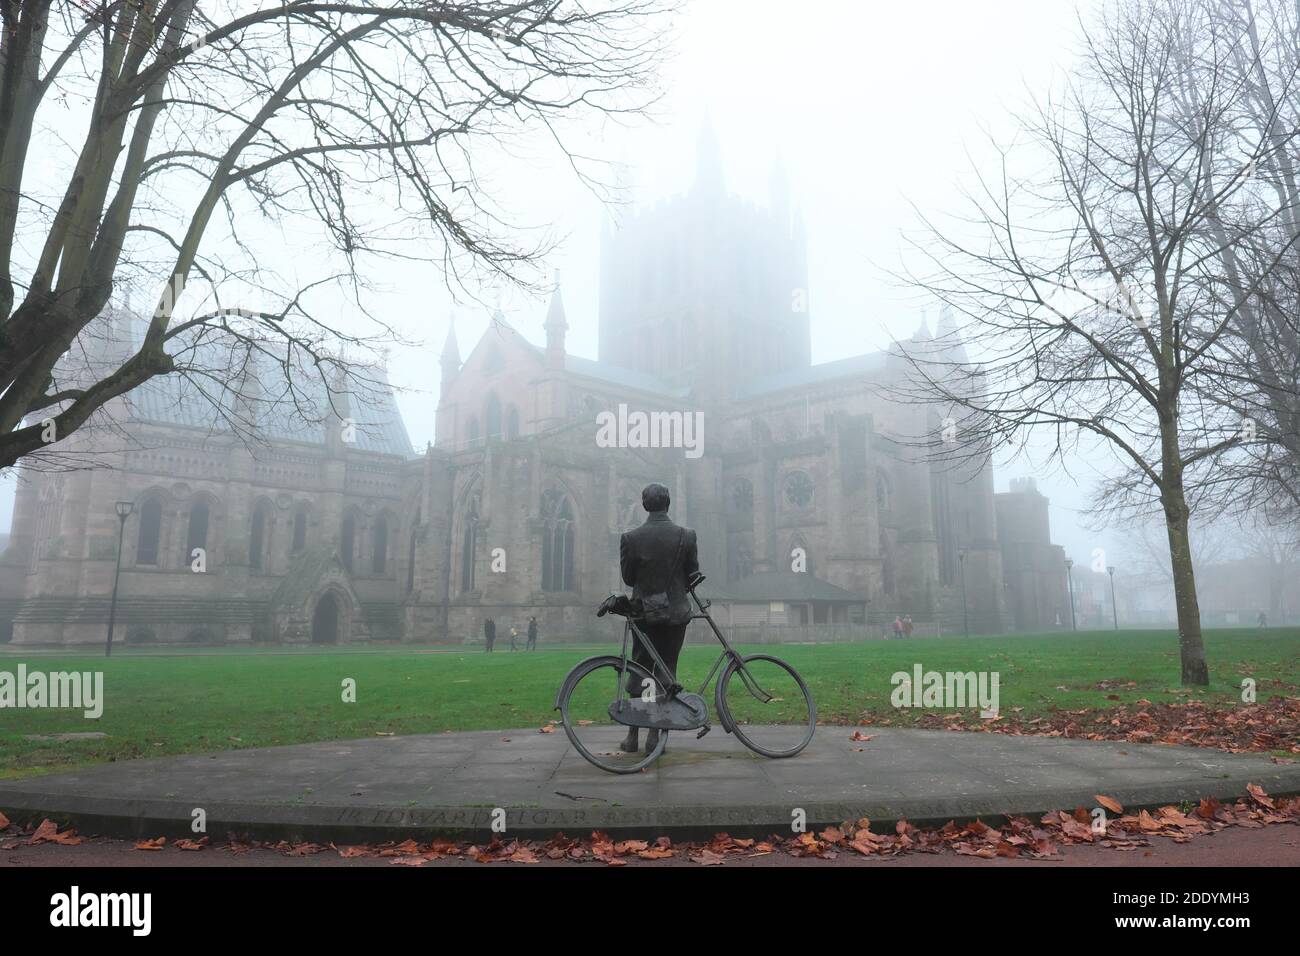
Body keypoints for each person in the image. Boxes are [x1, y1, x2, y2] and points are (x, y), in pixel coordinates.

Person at [618, 482, 699, 755]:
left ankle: (632, 737)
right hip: (676, 614)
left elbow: (629, 578)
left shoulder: (631, 538)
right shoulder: (686, 536)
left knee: (640, 670)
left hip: (644, 614)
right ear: (668, 503)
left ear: (644, 505)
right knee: (667, 671)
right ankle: (656, 737)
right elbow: (691, 576)